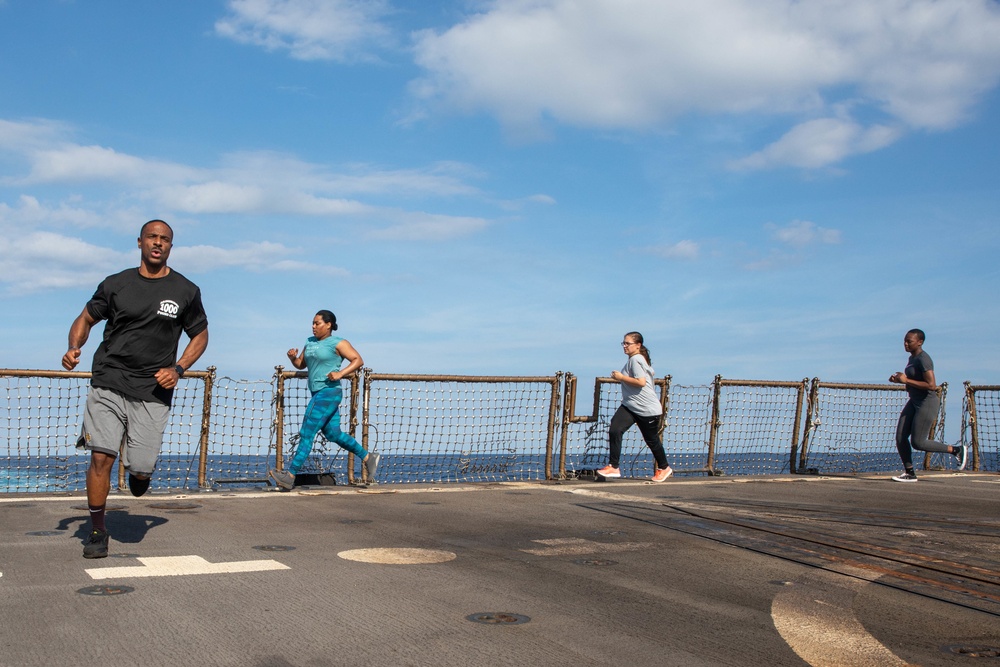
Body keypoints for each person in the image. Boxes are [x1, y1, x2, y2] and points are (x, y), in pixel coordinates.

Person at [62, 220, 209, 558]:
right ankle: (98, 530)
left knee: (140, 467)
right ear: (140, 242)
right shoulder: (116, 284)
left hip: (153, 390)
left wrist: (179, 368)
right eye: (152, 237)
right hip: (109, 378)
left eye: (165, 239)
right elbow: (85, 318)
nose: (158, 243)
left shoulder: (186, 290)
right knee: (102, 455)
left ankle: (139, 474)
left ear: (171, 246)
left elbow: (200, 334)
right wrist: (74, 347)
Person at [268, 310, 378, 490]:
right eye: (312, 323)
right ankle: (368, 457)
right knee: (333, 434)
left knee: (307, 432)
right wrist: (292, 358)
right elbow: (301, 364)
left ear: (328, 325)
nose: (313, 326)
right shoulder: (309, 342)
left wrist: (340, 373)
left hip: (328, 393)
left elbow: (358, 360)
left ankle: (289, 476)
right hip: (317, 392)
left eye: (317, 323)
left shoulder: (338, 343)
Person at [889, 328, 967, 482]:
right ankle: (909, 472)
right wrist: (898, 379)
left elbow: (931, 385)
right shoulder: (912, 358)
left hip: (927, 402)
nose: (905, 344)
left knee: (918, 442)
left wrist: (906, 381)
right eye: (904, 341)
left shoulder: (924, 359)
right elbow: (911, 378)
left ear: (920, 342)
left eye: (909, 341)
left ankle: (956, 450)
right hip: (914, 401)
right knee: (900, 437)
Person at [597, 332, 673, 482]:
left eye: (628, 343)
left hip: (647, 409)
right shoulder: (635, 359)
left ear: (638, 345)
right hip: (630, 406)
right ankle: (613, 466)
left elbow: (641, 382)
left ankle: (664, 467)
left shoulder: (636, 359)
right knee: (615, 429)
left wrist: (620, 377)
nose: (624, 346)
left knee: (651, 440)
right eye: (623, 343)